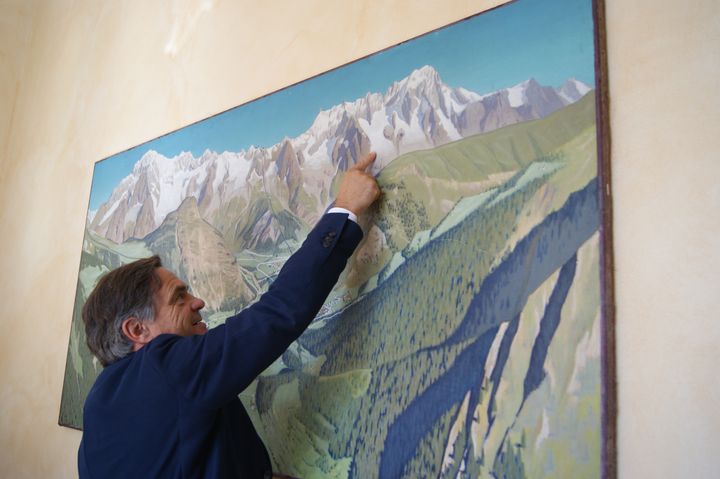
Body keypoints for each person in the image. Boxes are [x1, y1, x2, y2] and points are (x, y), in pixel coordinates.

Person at [78, 152, 381, 478]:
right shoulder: (165, 367)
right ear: (137, 329)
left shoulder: (98, 403)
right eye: (179, 297)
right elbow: (277, 313)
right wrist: (345, 209)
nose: (199, 302)